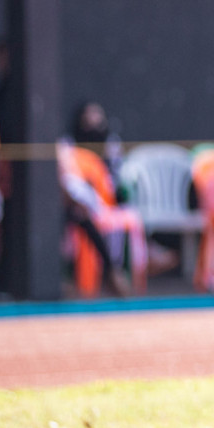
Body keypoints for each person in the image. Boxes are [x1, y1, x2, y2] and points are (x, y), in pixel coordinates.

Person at [56, 102, 133, 296]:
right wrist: (78, 197)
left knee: (85, 216)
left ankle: (112, 272)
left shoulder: (109, 143)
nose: (93, 120)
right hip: (70, 201)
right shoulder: (69, 144)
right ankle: (65, 277)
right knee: (76, 217)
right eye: (89, 115)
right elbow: (67, 178)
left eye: (97, 115)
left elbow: (114, 179)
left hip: (100, 200)